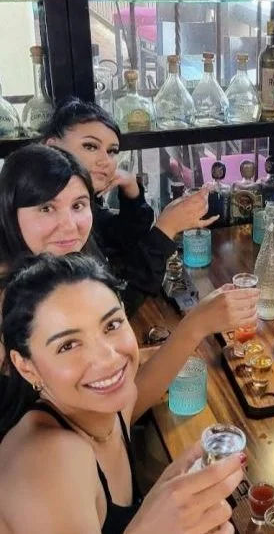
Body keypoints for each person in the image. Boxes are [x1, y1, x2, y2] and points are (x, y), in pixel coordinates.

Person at [0, 254, 253, 534]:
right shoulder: (49, 463)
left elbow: (142, 387)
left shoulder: (105, 408)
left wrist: (196, 325)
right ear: (26, 367)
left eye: (111, 325)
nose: (107, 358)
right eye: (68, 345)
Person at [0, 144, 259, 368]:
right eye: (46, 208)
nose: (69, 225)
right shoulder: (13, 305)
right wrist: (194, 326)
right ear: (9, 212)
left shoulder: (71, 264)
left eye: (78, 205)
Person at [42, 98, 213, 313]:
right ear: (53, 147)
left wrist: (131, 190)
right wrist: (166, 229)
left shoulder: (79, 205)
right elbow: (119, 305)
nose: (105, 160)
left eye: (112, 151)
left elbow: (123, 239)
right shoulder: (49, 222)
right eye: (90, 146)